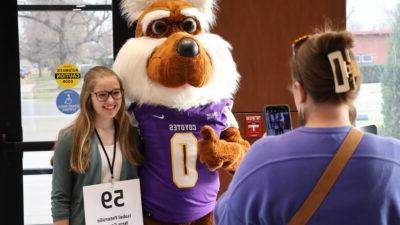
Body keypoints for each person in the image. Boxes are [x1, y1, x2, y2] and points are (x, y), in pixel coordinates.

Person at [215, 30, 400, 225]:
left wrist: (255, 159)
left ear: (300, 91)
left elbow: (226, 219)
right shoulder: (394, 157)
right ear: (354, 88)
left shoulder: (262, 157)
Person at [51, 66, 143, 225]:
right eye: (102, 95)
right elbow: (60, 198)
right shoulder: (69, 138)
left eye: (116, 92)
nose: (110, 100)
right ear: (89, 98)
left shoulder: (132, 134)